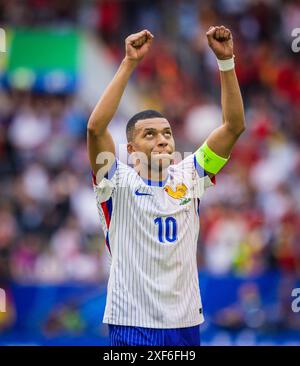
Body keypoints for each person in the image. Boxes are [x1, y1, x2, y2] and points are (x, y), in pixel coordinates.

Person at [87, 26, 245, 346]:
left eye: (167, 133)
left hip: (185, 322)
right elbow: (95, 127)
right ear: (130, 150)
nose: (162, 140)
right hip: (132, 322)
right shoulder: (115, 180)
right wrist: (129, 62)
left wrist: (226, 62)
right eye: (150, 134)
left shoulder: (191, 175)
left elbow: (234, 126)